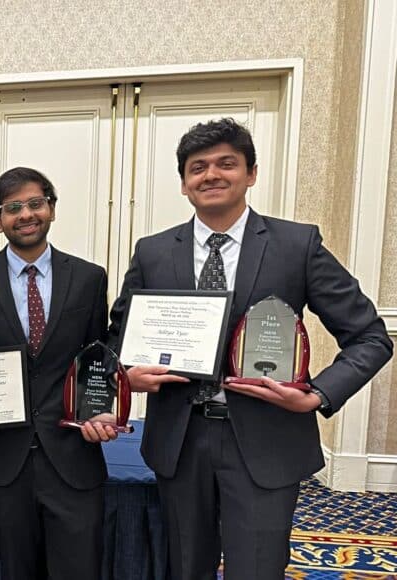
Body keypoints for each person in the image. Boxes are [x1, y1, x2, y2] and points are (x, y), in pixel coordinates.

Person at [107, 118, 393, 579]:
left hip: (266, 438)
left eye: (227, 163)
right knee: (185, 567)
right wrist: (126, 375)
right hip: (179, 441)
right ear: (184, 183)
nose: (211, 175)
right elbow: (118, 338)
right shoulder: (153, 252)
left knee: (257, 570)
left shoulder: (296, 245)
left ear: (252, 173)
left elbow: (370, 337)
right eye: (198, 167)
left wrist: (317, 394)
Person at [0, 166, 116, 579]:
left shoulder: (88, 278)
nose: (26, 214)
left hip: (73, 453)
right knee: (16, 569)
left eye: (35, 203)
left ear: (52, 209)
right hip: (2, 459)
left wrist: (100, 408)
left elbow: (99, 356)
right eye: (12, 207)